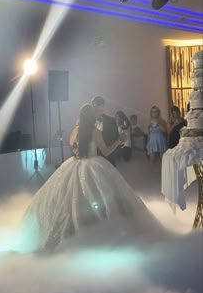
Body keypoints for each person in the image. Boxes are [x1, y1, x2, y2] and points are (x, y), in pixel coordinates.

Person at [18, 104, 165, 254]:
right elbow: (106, 151)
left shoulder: (76, 131)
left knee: (69, 200)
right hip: (94, 165)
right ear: (91, 116)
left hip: (74, 165)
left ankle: (74, 232)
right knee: (100, 197)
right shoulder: (95, 131)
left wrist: (78, 150)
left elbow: (73, 147)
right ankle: (97, 229)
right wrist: (120, 140)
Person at [70, 96, 119, 166]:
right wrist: (77, 150)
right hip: (90, 163)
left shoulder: (111, 121)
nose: (96, 113)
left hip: (107, 162)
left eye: (99, 109)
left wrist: (120, 141)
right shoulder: (81, 126)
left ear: (103, 107)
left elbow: (116, 138)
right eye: (95, 110)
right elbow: (73, 143)